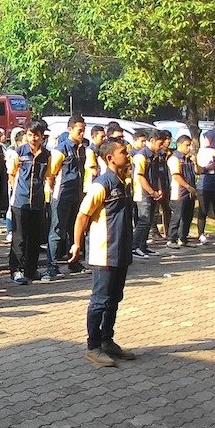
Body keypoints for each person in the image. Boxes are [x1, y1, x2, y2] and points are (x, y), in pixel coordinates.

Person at [69, 138, 137, 367]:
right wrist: (77, 244)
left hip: (122, 250)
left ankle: (107, 340)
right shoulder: (101, 185)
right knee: (100, 301)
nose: (127, 155)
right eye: (123, 152)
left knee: (115, 299)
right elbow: (82, 216)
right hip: (104, 252)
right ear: (110, 158)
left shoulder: (123, 182)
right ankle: (93, 347)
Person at [8, 120, 53, 284]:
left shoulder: (47, 155)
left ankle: (31, 270)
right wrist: (17, 191)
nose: (33, 138)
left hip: (38, 201)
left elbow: (48, 176)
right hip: (20, 201)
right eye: (30, 135)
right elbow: (12, 174)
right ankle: (16, 270)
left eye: (36, 135)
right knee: (19, 238)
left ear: (42, 137)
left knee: (34, 238)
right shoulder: (18, 152)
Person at [47, 115, 88, 279]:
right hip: (62, 195)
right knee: (57, 230)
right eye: (79, 130)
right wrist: (53, 193)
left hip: (76, 195)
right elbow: (51, 174)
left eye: (84, 130)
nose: (82, 134)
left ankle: (74, 262)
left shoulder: (82, 149)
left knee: (75, 230)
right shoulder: (61, 150)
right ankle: (52, 266)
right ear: (70, 129)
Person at [130, 130, 165, 260]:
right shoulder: (141, 156)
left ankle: (143, 246)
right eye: (160, 144)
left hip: (152, 192)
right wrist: (151, 191)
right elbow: (139, 176)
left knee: (149, 221)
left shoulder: (155, 156)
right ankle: (134, 247)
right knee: (143, 221)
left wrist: (159, 189)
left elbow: (157, 175)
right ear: (152, 141)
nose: (161, 147)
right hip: (142, 193)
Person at [167, 135, 197, 249]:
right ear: (179, 145)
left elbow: (198, 171)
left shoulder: (188, 159)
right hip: (179, 192)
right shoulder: (175, 158)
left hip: (189, 192)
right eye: (187, 145)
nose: (189, 148)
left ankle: (183, 238)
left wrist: (196, 162)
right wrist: (187, 186)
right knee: (177, 216)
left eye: (190, 145)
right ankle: (171, 239)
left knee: (187, 216)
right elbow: (176, 175)